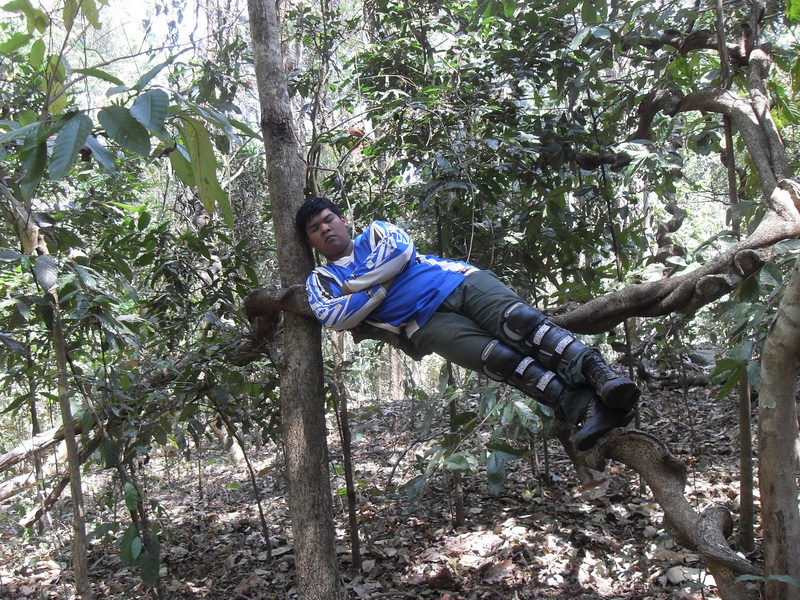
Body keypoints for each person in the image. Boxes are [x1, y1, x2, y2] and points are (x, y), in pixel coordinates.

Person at [296, 197, 638, 450]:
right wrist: (382, 285)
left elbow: (399, 251)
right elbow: (333, 315)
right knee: (501, 361)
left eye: (329, 220)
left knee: (522, 323)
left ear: (343, 220)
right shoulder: (322, 279)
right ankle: (589, 409)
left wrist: (355, 288)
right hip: (423, 323)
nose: (325, 228)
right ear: (310, 241)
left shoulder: (376, 232)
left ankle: (603, 377)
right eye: (315, 229)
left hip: (458, 280)